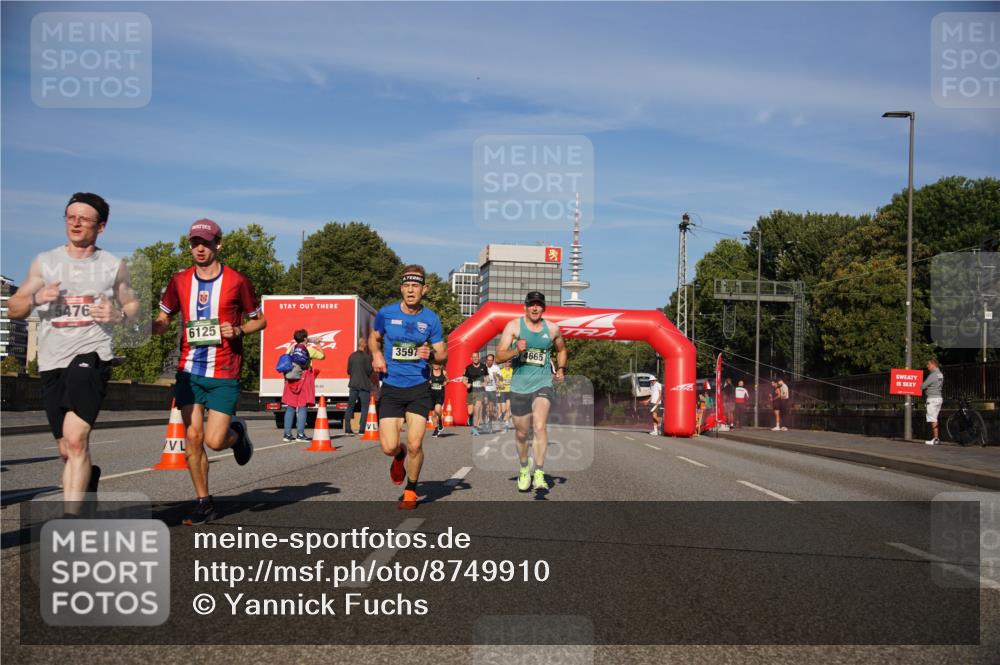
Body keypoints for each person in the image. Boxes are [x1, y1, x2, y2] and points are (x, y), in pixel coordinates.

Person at [7, 193, 139, 516]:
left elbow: (134, 306)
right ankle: (88, 478)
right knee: (67, 449)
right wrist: (37, 296)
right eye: (70, 216)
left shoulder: (112, 265)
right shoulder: (46, 261)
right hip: (52, 363)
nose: (76, 222)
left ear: (101, 226)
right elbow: (14, 308)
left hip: (91, 358)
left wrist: (118, 315)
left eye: (84, 218)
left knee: (77, 440)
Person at [152, 218, 265, 525]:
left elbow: (260, 320)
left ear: (219, 244)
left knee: (215, 441)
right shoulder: (179, 281)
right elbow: (163, 318)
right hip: (189, 370)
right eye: (194, 243)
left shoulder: (237, 281)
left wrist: (239, 329)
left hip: (225, 370)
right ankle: (204, 501)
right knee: (193, 436)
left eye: (205, 243)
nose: (200, 249)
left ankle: (238, 434)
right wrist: (151, 327)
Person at [369, 265, 448, 510]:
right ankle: (398, 456)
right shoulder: (386, 313)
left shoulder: (431, 318)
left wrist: (431, 355)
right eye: (406, 285)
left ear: (424, 289)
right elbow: (374, 337)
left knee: (416, 444)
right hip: (392, 386)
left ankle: (411, 490)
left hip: (418, 388)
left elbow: (443, 355)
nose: (410, 290)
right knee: (389, 447)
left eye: (415, 286)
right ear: (401, 288)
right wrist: (377, 355)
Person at [496, 291, 567, 492]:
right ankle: (524, 468)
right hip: (519, 386)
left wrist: (561, 369)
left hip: (542, 383)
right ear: (525, 307)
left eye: (538, 305)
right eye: (531, 305)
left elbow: (561, 349)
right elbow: (499, 356)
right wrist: (516, 350)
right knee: (521, 432)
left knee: (539, 426)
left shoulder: (552, 329)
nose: (535, 308)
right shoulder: (514, 326)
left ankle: (539, 471)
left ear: (543, 308)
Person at [281, 329, 324, 442]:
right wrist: (318, 344)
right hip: (304, 379)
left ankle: (287, 434)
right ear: (305, 338)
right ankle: (300, 434)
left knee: (290, 407)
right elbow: (322, 356)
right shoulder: (309, 349)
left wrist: (308, 339)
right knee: (302, 406)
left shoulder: (291, 348)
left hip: (291, 380)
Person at [345, 336, 374, 435]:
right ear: (365, 345)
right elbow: (369, 371)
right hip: (364, 385)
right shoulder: (367, 357)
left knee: (350, 406)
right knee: (364, 408)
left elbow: (348, 371)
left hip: (353, 384)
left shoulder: (351, 356)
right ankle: (362, 429)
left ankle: (347, 429)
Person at [462, 352, 487, 435]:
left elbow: (487, 378)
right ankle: (470, 417)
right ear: (471, 358)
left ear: (479, 358)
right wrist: (467, 384)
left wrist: (485, 383)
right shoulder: (468, 368)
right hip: (471, 391)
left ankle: (475, 427)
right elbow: (464, 379)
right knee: (470, 411)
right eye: (474, 357)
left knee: (478, 407)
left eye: (476, 357)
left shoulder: (484, 367)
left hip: (480, 391)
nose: (475, 358)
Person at [922, 358, 944, 445]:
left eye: (929, 364)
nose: (927, 366)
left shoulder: (933, 375)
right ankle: (936, 438)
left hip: (932, 399)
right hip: (939, 398)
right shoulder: (940, 374)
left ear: (933, 365)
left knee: (933, 418)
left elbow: (923, 386)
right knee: (935, 418)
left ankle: (936, 439)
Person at [482, 353, 503, 433]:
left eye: (491, 360)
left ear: (493, 361)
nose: (489, 362)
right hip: (484, 390)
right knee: (484, 407)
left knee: (490, 409)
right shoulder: (483, 367)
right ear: (486, 360)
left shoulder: (496, 368)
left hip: (492, 390)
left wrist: (497, 376)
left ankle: (490, 424)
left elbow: (501, 378)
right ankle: (484, 422)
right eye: (488, 360)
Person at [428, 360, 447, 437]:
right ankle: (436, 428)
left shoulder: (444, 372)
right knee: (433, 414)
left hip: (440, 394)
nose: (435, 365)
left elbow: (447, 380)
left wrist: (445, 383)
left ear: (440, 365)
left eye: (437, 364)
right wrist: (428, 382)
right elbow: (425, 380)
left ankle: (439, 419)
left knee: (438, 410)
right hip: (431, 395)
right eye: (434, 364)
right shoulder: (429, 372)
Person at [499, 360, 514, 430]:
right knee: (503, 410)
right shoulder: (501, 371)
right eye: (506, 362)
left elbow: (514, 381)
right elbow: (498, 381)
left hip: (510, 392)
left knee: (508, 409)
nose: (507, 363)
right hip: (503, 391)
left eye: (509, 362)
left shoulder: (513, 371)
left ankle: (506, 423)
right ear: (504, 363)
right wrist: (500, 383)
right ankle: (504, 417)